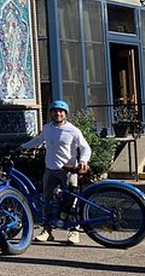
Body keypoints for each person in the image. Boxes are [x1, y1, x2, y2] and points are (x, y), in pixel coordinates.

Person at [15, 100, 91, 244]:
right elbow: (38, 140)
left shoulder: (73, 130)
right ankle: (47, 230)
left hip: (68, 171)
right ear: (50, 113)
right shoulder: (47, 128)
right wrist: (22, 147)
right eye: (55, 111)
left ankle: (74, 231)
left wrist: (83, 161)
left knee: (71, 201)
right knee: (47, 200)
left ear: (65, 114)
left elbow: (86, 147)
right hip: (50, 169)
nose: (58, 114)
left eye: (61, 111)